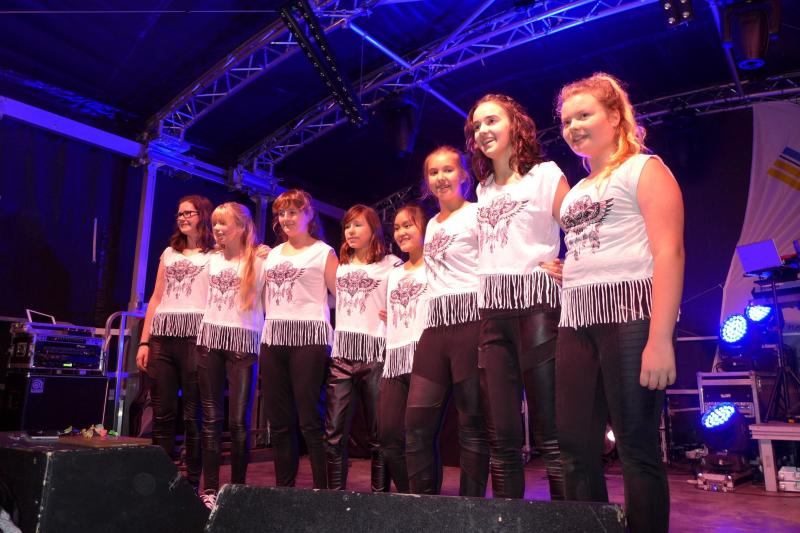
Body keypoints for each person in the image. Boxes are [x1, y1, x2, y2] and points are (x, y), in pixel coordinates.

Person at [555, 73, 684, 533]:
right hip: (576, 322)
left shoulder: (644, 169)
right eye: (566, 121)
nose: (573, 127)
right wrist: (569, 270)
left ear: (614, 117)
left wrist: (660, 340)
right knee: (574, 447)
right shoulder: (576, 192)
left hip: (630, 317)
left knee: (636, 447)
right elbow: (594, 247)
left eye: (583, 115)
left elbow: (669, 252)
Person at [465, 94, 569, 499]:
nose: (483, 131)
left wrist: (574, 265)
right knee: (502, 434)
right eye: (476, 126)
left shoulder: (545, 175)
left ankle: (566, 523)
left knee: (551, 432)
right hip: (493, 313)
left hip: (537, 308)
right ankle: (508, 520)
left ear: (515, 125)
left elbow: (580, 227)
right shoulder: (483, 189)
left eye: (492, 121)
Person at [405, 146, 489, 496]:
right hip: (434, 328)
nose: (440, 177)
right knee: (416, 427)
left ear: (464, 175)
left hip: (470, 322)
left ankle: (470, 510)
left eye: (448, 170)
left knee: (472, 426)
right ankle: (422, 508)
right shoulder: (431, 225)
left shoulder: (478, 213)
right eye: (433, 172)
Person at [136, 195, 215, 494]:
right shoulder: (169, 253)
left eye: (188, 213)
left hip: (196, 339)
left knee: (193, 414)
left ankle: (191, 483)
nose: (182, 218)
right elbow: (156, 298)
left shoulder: (215, 255)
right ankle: (161, 481)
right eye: (179, 214)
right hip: (162, 338)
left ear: (202, 216)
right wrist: (144, 341)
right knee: (162, 413)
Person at [260, 189, 337, 489]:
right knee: (280, 422)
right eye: (282, 213)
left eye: (293, 212)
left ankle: (321, 492)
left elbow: (341, 296)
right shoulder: (272, 254)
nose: (286, 218)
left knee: (309, 420)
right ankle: (285, 490)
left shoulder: (323, 252)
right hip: (274, 339)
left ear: (308, 215)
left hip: (309, 339)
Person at [196, 201, 266, 508]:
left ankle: (237, 490)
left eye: (223, 223)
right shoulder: (210, 260)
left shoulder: (260, 260)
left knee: (238, 421)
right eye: (214, 223)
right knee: (211, 419)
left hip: (243, 344)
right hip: (210, 342)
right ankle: (210, 489)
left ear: (241, 227)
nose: (217, 229)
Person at [325, 205, 400, 491]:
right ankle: (334, 499)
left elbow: (411, 293)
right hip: (342, 357)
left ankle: (379, 499)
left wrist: (396, 313)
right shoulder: (341, 266)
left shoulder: (392, 264)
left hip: (376, 356)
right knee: (333, 434)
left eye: (358, 225)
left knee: (379, 436)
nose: (351, 231)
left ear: (373, 229)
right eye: (347, 226)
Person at [378, 202, 429, 493]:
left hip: (424, 358)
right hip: (395, 359)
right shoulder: (395, 273)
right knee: (388, 435)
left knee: (419, 437)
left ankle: (426, 500)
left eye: (408, 225)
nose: (401, 232)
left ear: (424, 227)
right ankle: (410, 496)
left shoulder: (436, 266)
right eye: (397, 227)